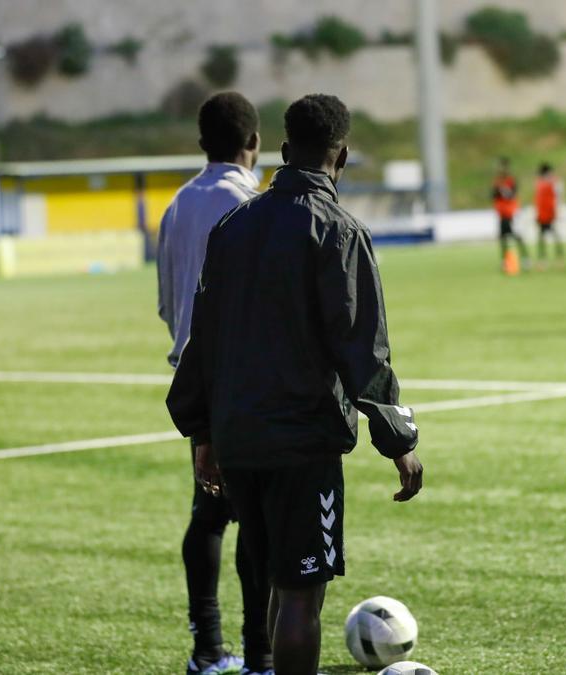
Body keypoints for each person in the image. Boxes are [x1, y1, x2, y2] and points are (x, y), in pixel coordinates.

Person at [167, 94, 423, 675]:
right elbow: (364, 347)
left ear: (284, 151)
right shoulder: (338, 230)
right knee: (302, 596)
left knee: (277, 586)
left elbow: (202, 337)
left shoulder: (233, 225)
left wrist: (203, 433)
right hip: (301, 442)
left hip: (238, 439)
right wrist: (400, 443)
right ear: (343, 155)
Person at [156, 92, 272, 675]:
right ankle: (259, 655)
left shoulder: (176, 205)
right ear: (254, 144)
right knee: (256, 520)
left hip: (195, 384)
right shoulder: (251, 202)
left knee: (209, 513)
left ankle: (207, 649)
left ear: (203, 143)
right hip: (242, 381)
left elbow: (167, 305)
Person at [492, 156, 527, 265]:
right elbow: (493, 196)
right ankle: (505, 260)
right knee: (503, 238)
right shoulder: (497, 182)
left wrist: (506, 192)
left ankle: (525, 258)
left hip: (511, 213)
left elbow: (513, 194)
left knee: (516, 236)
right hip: (502, 214)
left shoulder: (510, 181)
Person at [533, 163, 564, 262]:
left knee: (546, 238)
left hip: (546, 215)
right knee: (549, 237)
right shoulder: (546, 184)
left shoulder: (543, 184)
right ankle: (556, 258)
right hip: (545, 215)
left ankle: (551, 258)